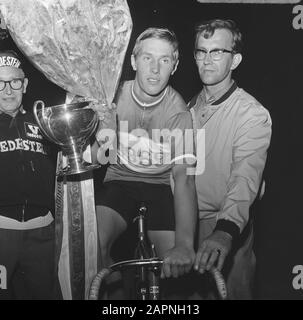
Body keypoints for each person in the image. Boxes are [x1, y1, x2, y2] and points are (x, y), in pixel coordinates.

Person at [93, 28, 197, 298]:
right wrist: (102, 138)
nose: (154, 69)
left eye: (164, 60)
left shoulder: (179, 113)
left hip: (160, 186)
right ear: (132, 61)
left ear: (174, 66)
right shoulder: (111, 99)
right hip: (119, 180)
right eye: (147, 58)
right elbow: (93, 158)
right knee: (92, 246)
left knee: (172, 266)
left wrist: (185, 244)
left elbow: (184, 178)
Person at [189, 19, 272, 299]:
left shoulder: (251, 114)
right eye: (201, 51)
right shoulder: (185, 109)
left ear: (234, 60)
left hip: (227, 229)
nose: (207, 60)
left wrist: (225, 231)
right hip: (184, 229)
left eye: (217, 52)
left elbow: (245, 177)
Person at [0, 50, 59, 299]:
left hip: (42, 234)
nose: (8, 90)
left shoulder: (44, 122)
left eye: (14, 81)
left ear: (24, 84)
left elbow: (80, 158)